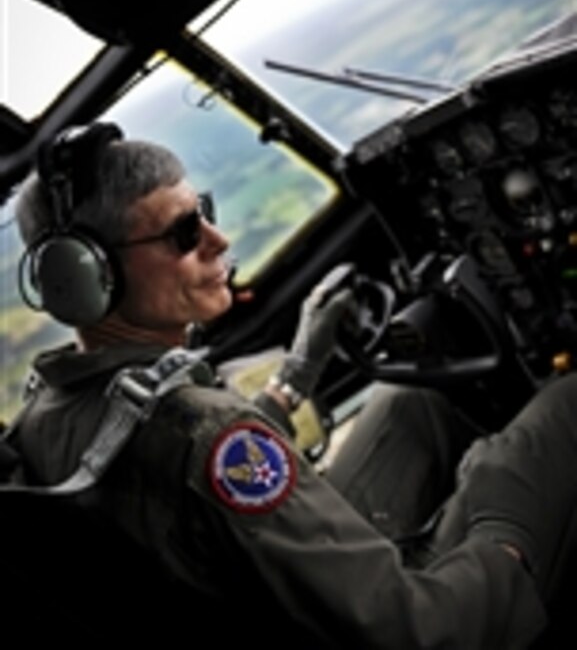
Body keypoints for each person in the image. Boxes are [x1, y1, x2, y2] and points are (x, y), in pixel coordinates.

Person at [5, 123, 577, 648]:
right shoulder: (205, 431)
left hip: (254, 605)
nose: (219, 239)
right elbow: (412, 633)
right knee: (550, 420)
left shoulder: (46, 414)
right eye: (183, 232)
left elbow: (182, 485)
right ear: (85, 278)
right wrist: (503, 528)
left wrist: (295, 377)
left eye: (203, 209)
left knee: (413, 402)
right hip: (409, 630)